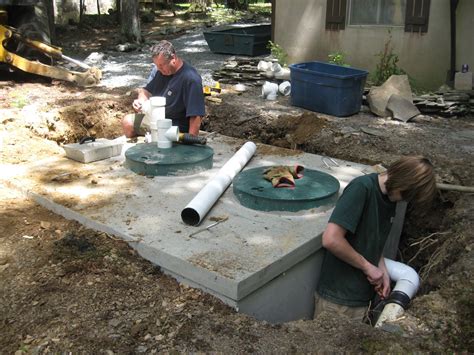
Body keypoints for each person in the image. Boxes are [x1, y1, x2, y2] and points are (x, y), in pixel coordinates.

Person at [314, 156, 437, 322]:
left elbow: (372, 239)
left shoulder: (389, 198)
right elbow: (331, 239)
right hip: (339, 299)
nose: (403, 201)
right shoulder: (362, 188)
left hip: (362, 298)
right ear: (402, 182)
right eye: (406, 195)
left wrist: (383, 269)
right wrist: (368, 267)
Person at [122, 40, 205, 137]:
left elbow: (195, 116)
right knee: (127, 122)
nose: (159, 69)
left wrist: (191, 141)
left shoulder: (190, 79)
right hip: (156, 118)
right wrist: (140, 100)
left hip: (175, 126)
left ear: (173, 58)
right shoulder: (161, 72)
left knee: (162, 137)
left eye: (161, 65)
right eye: (157, 65)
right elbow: (146, 91)